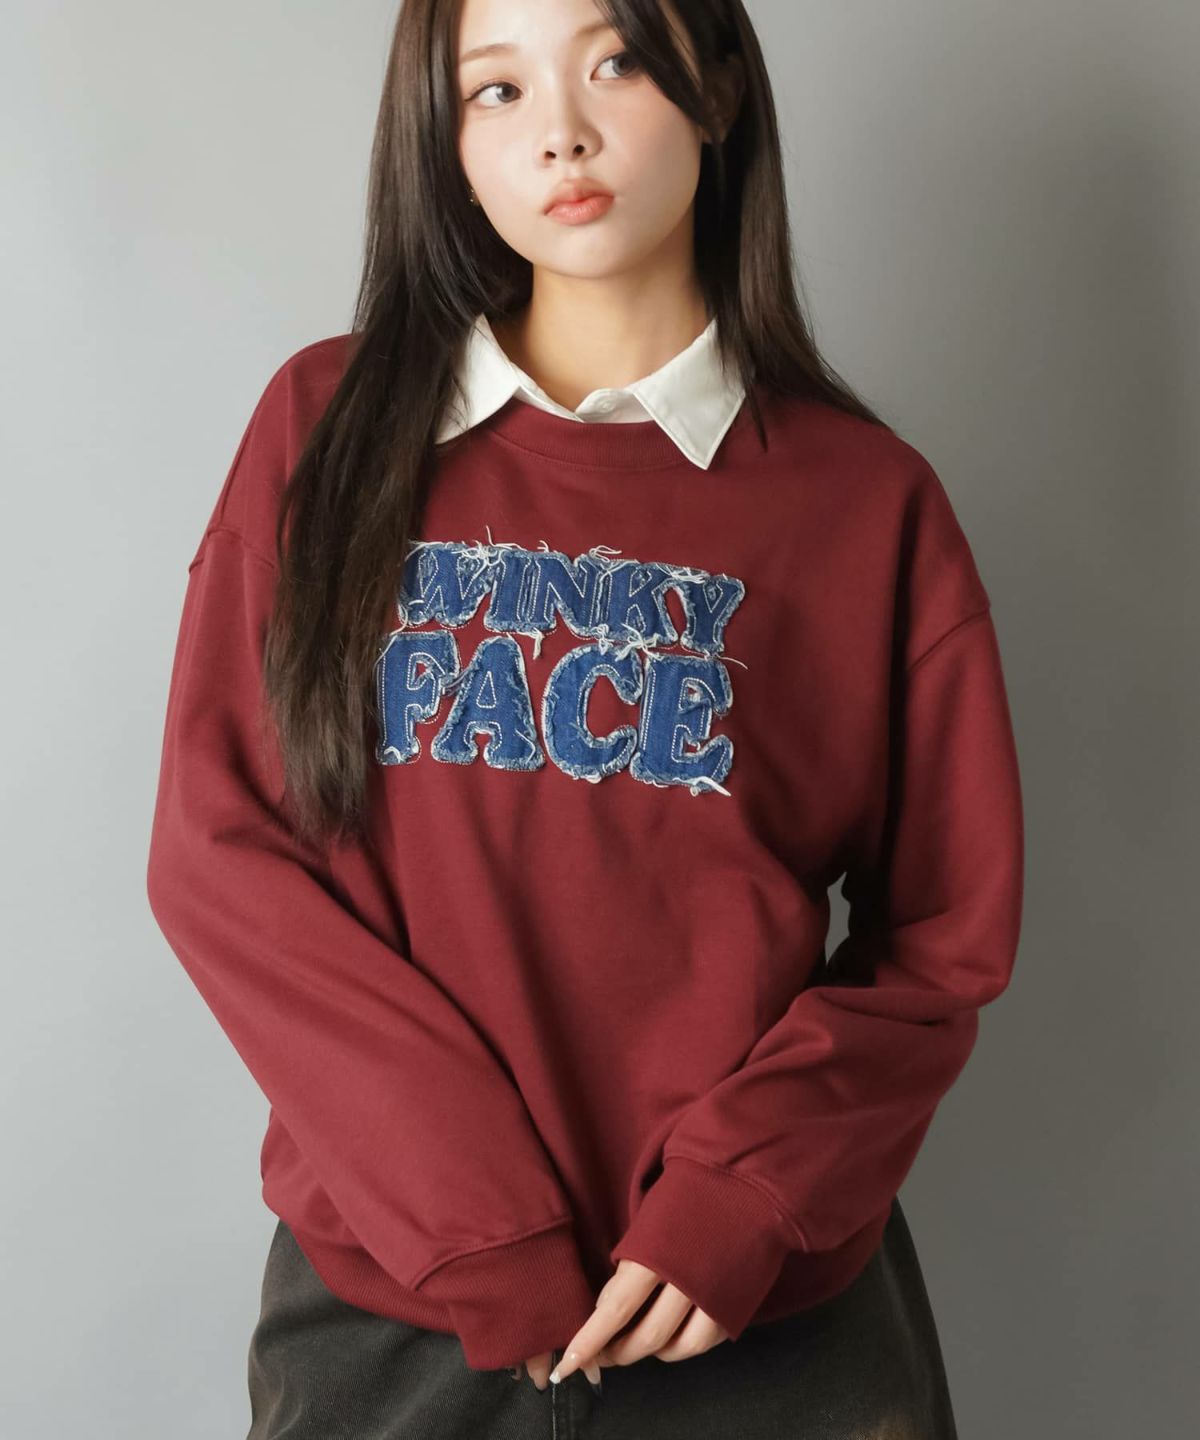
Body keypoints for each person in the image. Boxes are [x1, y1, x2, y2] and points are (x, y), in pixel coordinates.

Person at [145, 0, 1025, 1435]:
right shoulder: (325, 428)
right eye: (495, 90)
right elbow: (221, 856)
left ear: (717, 88)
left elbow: (941, 938)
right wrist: (476, 1222)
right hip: (398, 1321)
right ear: (444, 140)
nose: (560, 130)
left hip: (763, 1327)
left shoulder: (868, 505)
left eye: (613, 61)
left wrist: (740, 1200)